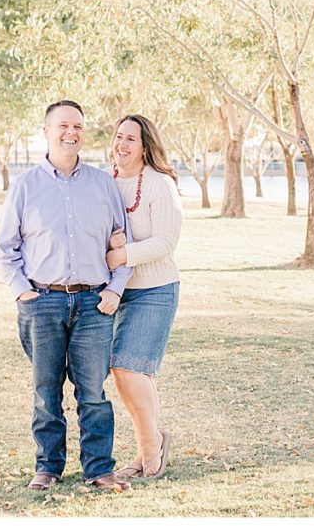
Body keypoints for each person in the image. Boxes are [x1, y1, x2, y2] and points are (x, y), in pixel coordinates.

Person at [0, 99, 134, 493]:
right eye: (63, 126)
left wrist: (114, 290)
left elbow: (122, 246)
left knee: (93, 393)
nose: (71, 133)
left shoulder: (103, 184)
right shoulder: (25, 186)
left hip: (94, 303)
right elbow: (6, 250)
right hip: (42, 302)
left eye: (78, 127)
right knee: (46, 390)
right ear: (46, 131)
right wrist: (22, 292)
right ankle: (48, 467)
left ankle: (99, 469)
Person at [104, 114, 182, 480]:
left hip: (155, 289)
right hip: (118, 292)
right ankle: (150, 447)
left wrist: (121, 255)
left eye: (130, 139)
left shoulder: (159, 184)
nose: (122, 144)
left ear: (145, 146)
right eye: (118, 137)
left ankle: (151, 450)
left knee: (128, 368)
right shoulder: (106, 183)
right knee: (133, 374)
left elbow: (165, 242)